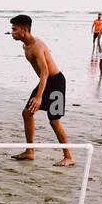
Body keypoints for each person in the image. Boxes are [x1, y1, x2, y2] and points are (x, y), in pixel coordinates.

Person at [10, 14, 73, 166]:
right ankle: (30, 151)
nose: (12, 32)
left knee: (54, 121)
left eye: (14, 29)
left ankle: (69, 157)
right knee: (27, 113)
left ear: (24, 30)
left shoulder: (37, 47)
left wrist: (38, 97)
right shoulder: (25, 45)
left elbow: (45, 72)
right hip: (45, 83)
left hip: (56, 82)